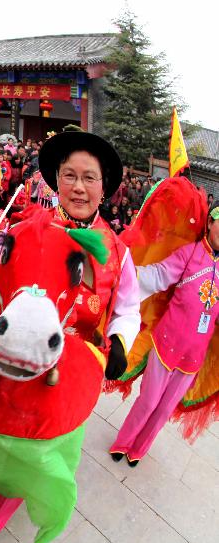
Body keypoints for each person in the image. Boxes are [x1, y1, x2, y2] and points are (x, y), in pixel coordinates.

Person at [0, 129, 140, 543]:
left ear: (104, 187)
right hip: (3, 346)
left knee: (32, 443)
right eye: (69, 175)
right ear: (56, 180)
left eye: (89, 177)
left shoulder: (117, 252)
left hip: (62, 366)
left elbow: (128, 308)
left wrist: (119, 341)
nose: (78, 187)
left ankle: (2, 502)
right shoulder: (27, 226)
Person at [110, 197, 219, 466]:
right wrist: (124, 272)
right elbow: (158, 275)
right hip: (166, 343)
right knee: (148, 402)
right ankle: (123, 442)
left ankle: (139, 450)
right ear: (210, 223)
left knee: (164, 410)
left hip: (194, 356)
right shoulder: (190, 253)